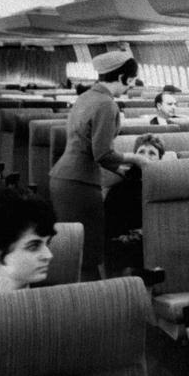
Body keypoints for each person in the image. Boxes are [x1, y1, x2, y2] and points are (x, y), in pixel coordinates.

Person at [49, 49, 149, 280]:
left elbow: (85, 143)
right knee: (89, 251)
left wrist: (119, 170)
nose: (132, 86)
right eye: (131, 81)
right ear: (123, 78)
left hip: (64, 178)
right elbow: (101, 152)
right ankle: (90, 305)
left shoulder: (85, 97)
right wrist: (135, 159)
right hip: (80, 182)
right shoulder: (107, 104)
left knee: (72, 248)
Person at [104, 134, 165, 275]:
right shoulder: (119, 190)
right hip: (128, 247)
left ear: (160, 159)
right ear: (134, 157)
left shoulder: (166, 188)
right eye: (141, 152)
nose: (145, 157)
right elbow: (112, 233)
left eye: (152, 153)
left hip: (159, 243)